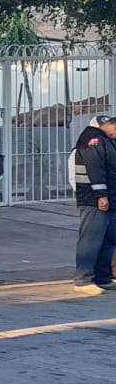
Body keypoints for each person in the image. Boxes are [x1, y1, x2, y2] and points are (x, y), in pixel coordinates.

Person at [69, 114, 116, 295]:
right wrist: (101, 195)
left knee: (109, 238)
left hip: (109, 198)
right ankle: (83, 280)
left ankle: (103, 277)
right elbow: (95, 169)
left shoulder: (107, 140)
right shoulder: (93, 140)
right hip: (94, 199)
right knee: (92, 238)